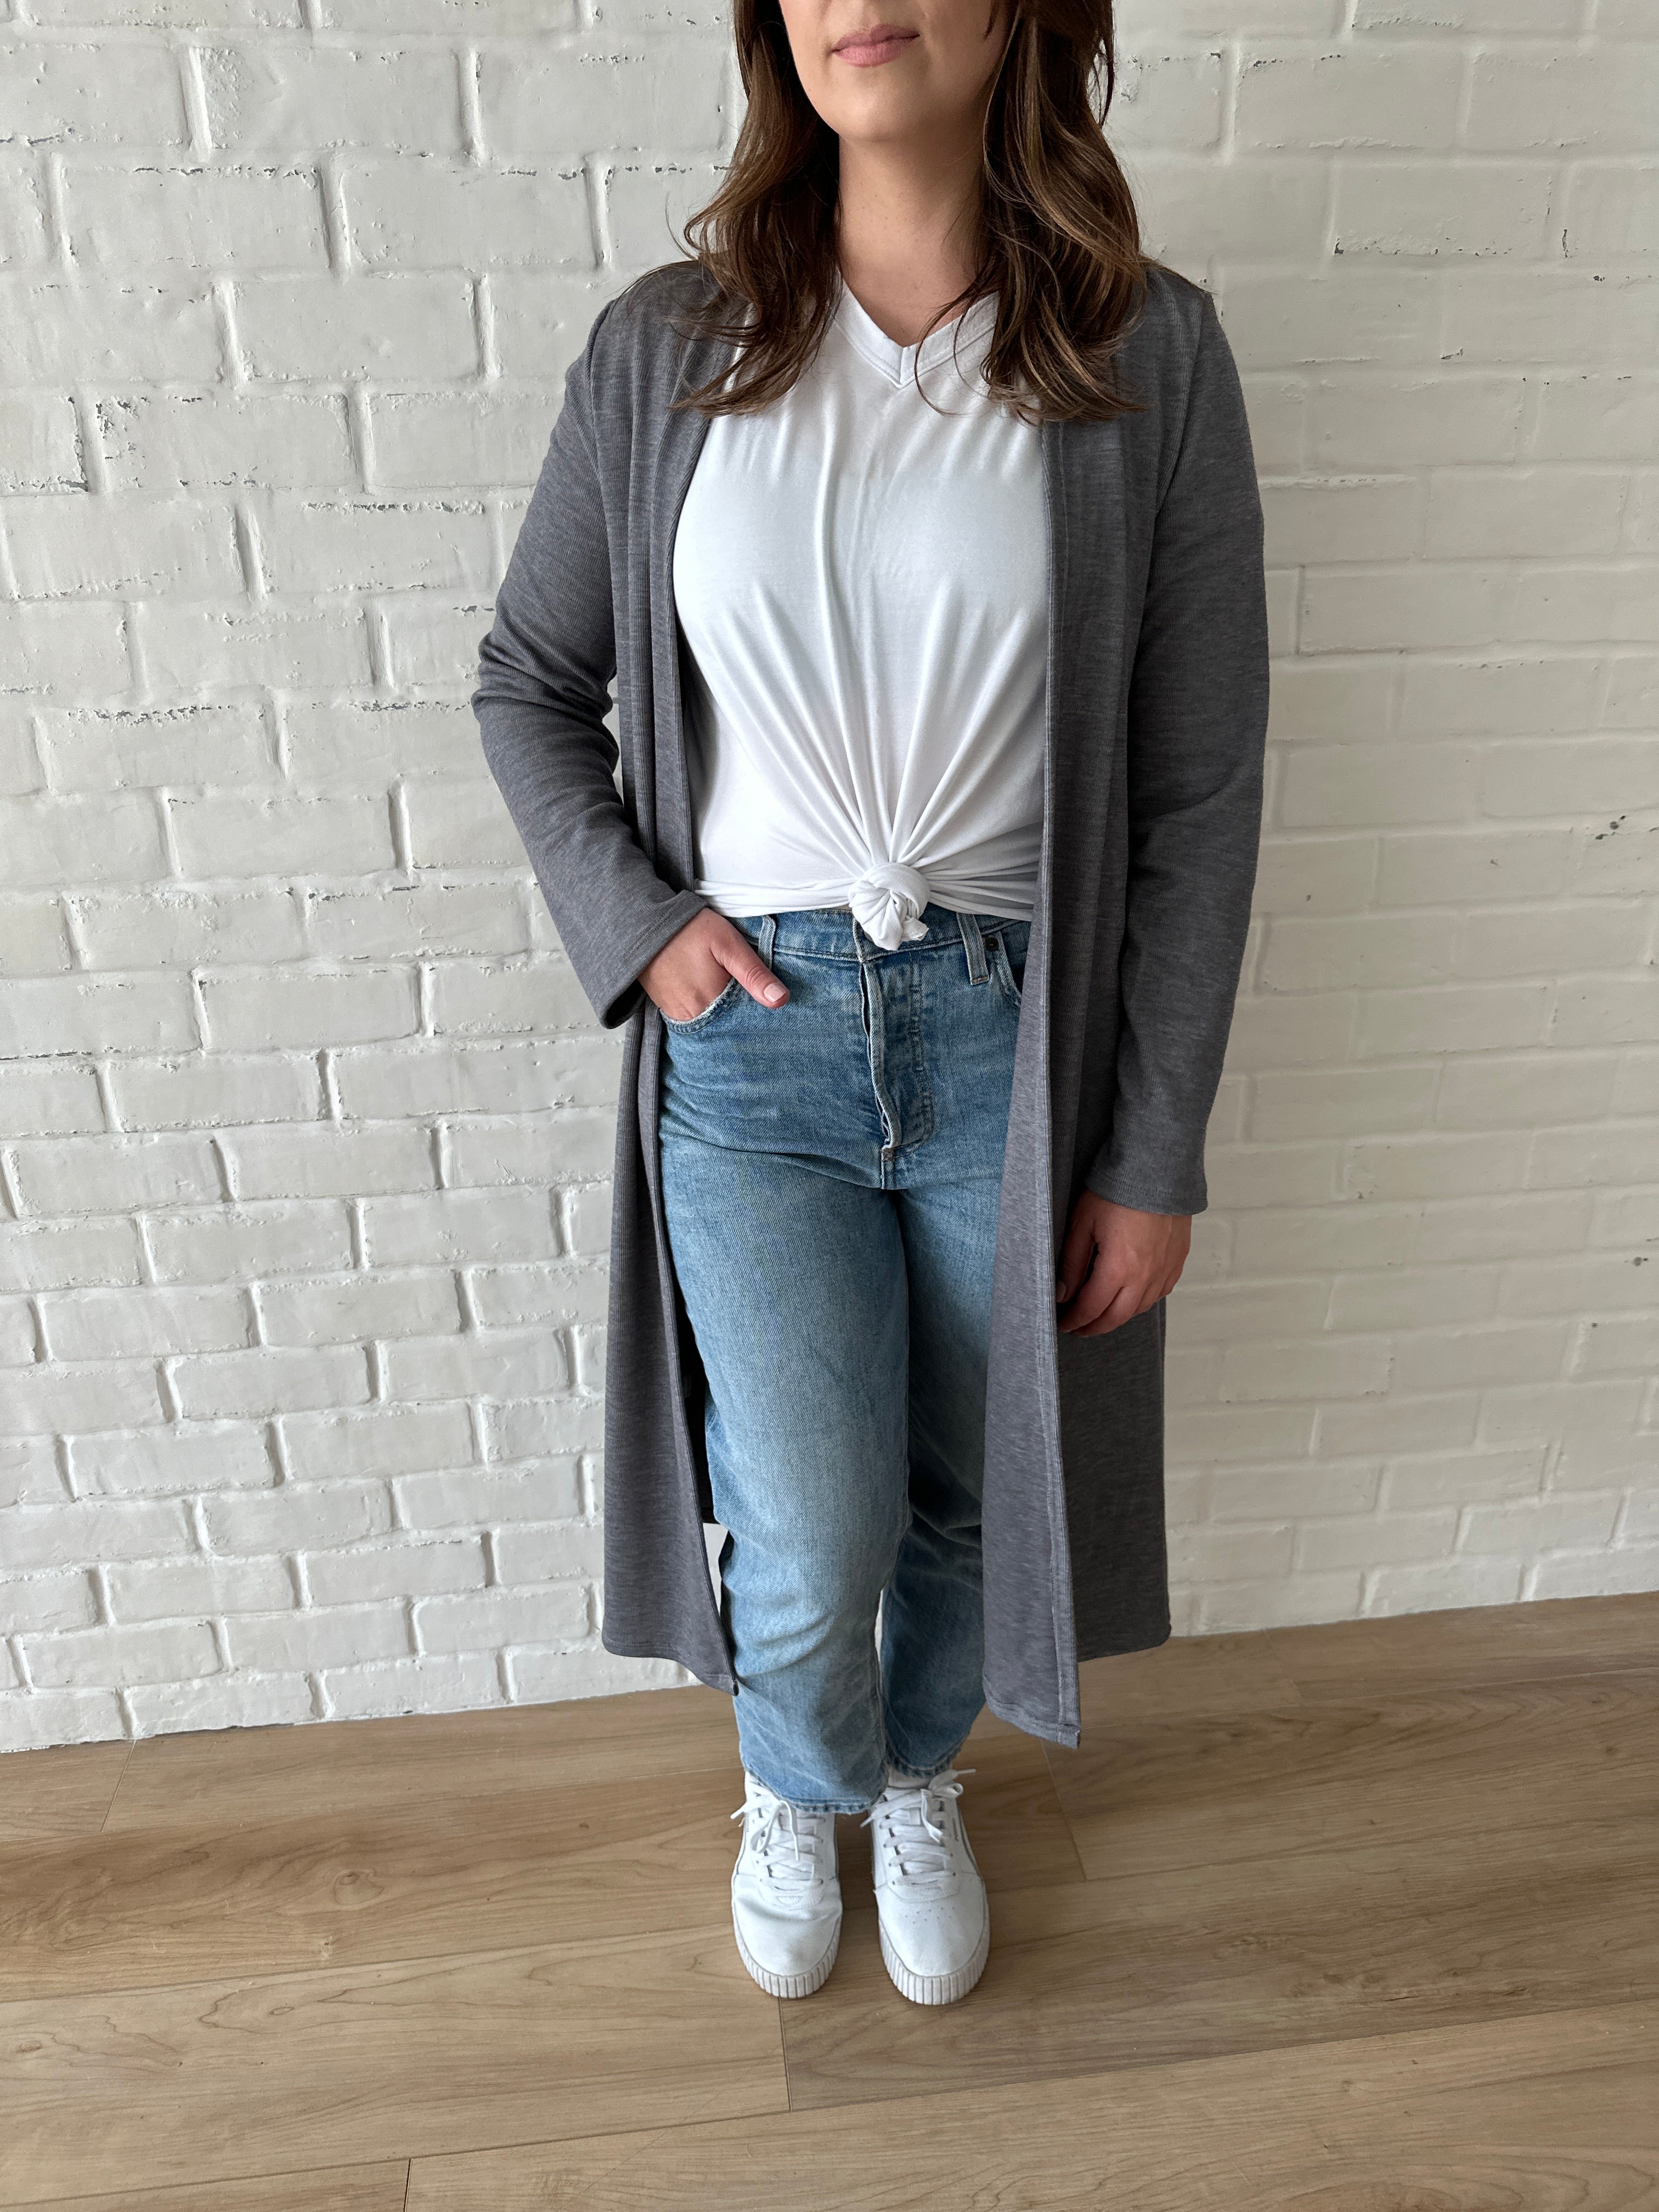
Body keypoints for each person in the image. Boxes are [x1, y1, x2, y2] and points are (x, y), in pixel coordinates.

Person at [473, 0, 1268, 2008]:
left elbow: (1196, 786)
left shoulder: (1144, 356)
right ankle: (796, 1776)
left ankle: (918, 1774)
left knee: (974, 1497)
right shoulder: (671, 345)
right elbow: (527, 682)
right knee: (808, 1522)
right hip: (754, 1039)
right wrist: (643, 926)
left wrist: (1154, 1141)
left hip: (1020, 1038)